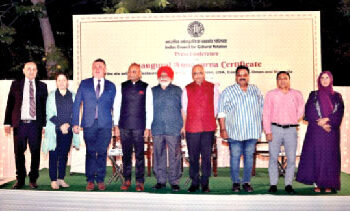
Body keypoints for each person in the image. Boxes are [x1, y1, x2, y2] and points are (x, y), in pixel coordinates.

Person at [72, 58, 116, 191]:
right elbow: (76, 104)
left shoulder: (111, 86)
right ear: (92, 69)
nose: (97, 69)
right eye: (95, 66)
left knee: (102, 152)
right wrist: (75, 123)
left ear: (105, 70)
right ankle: (90, 180)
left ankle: (101, 180)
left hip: (105, 125)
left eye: (100, 66)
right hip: (89, 124)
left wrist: (117, 125)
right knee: (91, 152)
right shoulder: (84, 84)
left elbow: (116, 107)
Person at [296, 71, 344, 193]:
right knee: (317, 156)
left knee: (329, 157)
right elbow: (309, 111)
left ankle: (329, 184)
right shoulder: (314, 95)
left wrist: (328, 120)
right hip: (316, 131)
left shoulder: (337, 96)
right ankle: (318, 183)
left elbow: (339, 112)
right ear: (319, 80)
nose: (324, 80)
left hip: (331, 132)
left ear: (331, 80)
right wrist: (321, 123)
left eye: (327, 78)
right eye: (322, 78)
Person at [218, 65, 263, 193]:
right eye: (239, 75)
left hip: (251, 132)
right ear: (236, 77)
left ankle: (247, 182)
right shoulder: (228, 91)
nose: (242, 77)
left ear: (248, 76)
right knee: (235, 157)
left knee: (249, 157)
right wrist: (223, 129)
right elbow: (221, 112)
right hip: (234, 132)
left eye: (245, 74)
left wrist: (260, 130)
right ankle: (236, 182)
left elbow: (261, 111)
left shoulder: (256, 90)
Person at [4, 61, 48, 189]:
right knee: (19, 153)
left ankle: (33, 179)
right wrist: (7, 122)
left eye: (34, 69)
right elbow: (10, 104)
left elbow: (45, 107)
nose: (31, 71)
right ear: (23, 70)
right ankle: (20, 179)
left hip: (35, 125)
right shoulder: (15, 85)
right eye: (28, 69)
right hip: (20, 124)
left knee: (35, 153)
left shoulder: (42, 86)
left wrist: (44, 125)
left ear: (36, 71)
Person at [263, 71, 304, 194]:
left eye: (285, 78)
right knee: (273, 158)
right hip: (275, 129)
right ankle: (273, 184)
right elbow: (266, 114)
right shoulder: (271, 94)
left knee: (291, 159)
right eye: (280, 78)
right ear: (277, 81)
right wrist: (268, 131)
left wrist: (292, 119)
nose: (282, 80)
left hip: (291, 129)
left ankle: (288, 184)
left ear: (289, 80)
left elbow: (301, 110)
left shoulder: (297, 94)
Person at [113, 63, 153, 192]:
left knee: (140, 155)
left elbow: (149, 109)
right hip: (124, 126)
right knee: (126, 155)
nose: (132, 73)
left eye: (135, 71)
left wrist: (148, 128)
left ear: (140, 73)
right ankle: (127, 179)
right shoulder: (122, 87)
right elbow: (117, 106)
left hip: (139, 127)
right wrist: (116, 125)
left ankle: (140, 181)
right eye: (130, 71)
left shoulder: (146, 87)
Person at [182, 64, 219, 193]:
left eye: (200, 73)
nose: (198, 75)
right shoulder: (187, 89)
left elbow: (216, 108)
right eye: (195, 73)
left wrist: (209, 120)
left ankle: (205, 183)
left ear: (204, 74)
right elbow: (184, 109)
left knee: (206, 156)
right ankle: (194, 182)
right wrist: (184, 126)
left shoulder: (213, 87)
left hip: (208, 128)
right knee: (193, 157)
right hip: (192, 127)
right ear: (192, 75)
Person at [42, 73, 80, 190]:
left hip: (68, 131)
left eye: (64, 80)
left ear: (67, 81)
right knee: (53, 155)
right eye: (59, 80)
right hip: (55, 130)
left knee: (64, 155)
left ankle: (61, 179)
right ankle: (53, 180)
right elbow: (49, 114)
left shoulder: (73, 96)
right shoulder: (51, 96)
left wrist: (68, 125)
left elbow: (75, 113)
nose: (62, 82)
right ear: (56, 82)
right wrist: (61, 125)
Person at [151, 66, 183, 192]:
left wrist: (183, 126)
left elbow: (183, 109)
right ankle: (161, 180)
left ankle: (174, 181)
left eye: (166, 74)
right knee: (158, 155)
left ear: (171, 76)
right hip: (157, 127)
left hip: (174, 127)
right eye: (161, 75)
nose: (163, 77)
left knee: (175, 156)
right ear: (158, 77)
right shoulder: (152, 91)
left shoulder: (177, 90)